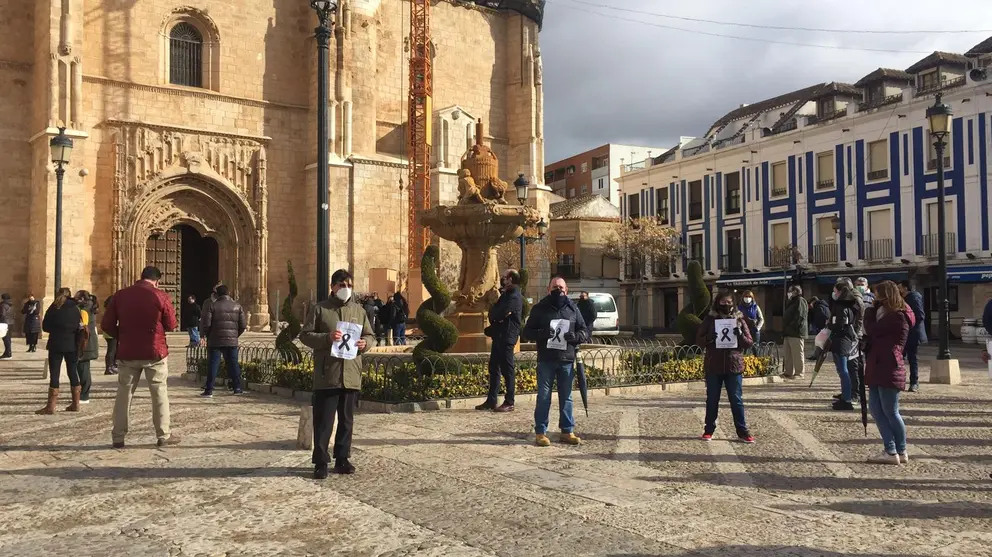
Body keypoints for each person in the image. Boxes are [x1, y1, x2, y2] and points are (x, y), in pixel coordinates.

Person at [300, 269, 374, 479]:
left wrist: (365, 343)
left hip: (351, 373)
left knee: (347, 420)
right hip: (328, 374)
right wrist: (327, 338)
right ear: (333, 287)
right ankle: (321, 462)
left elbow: (370, 335)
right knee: (324, 421)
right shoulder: (320, 309)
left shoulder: (358, 310)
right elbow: (305, 335)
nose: (346, 289)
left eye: (349, 285)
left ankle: (342, 458)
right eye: (342, 285)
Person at [101, 266, 180, 448]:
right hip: (155, 352)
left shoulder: (120, 295)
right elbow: (171, 324)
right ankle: (163, 435)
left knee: (124, 394)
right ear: (157, 280)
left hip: (128, 352)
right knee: (159, 392)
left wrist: (123, 337)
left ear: (140, 277)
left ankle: (118, 437)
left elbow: (107, 324)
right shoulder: (160, 295)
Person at [522, 276, 589, 447]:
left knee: (566, 397)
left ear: (566, 290)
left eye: (560, 287)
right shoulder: (539, 309)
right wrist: (542, 333)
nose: (558, 290)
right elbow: (527, 332)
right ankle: (541, 432)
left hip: (566, 359)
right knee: (544, 397)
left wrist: (576, 337)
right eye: (554, 287)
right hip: (546, 359)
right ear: (548, 289)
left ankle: (567, 431)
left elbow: (584, 331)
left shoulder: (573, 309)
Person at [863, 281, 915, 465]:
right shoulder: (883, 312)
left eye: (878, 294)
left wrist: (868, 313)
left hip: (889, 364)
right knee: (876, 409)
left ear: (886, 294)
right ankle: (891, 449)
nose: (875, 297)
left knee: (891, 411)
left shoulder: (898, 316)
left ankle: (899, 449)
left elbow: (872, 330)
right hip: (878, 363)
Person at [696, 290, 756, 443]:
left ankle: (742, 431)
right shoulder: (710, 319)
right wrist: (710, 337)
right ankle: (709, 429)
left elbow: (749, 342)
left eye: (729, 302)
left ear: (733, 303)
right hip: (713, 365)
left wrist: (740, 334)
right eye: (723, 302)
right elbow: (699, 340)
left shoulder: (739, 319)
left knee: (736, 400)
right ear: (718, 303)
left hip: (733, 365)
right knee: (712, 399)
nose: (726, 305)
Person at [478, 269, 524, 412]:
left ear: (510, 279)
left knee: (507, 369)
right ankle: (491, 400)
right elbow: (494, 313)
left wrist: (497, 315)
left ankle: (509, 401)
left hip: (507, 336)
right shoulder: (506, 295)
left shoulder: (514, 296)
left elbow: (501, 313)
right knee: (494, 368)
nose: (502, 280)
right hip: (499, 336)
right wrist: (496, 315)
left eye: (504, 278)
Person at [36, 287, 83, 414]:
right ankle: (76, 403)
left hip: (56, 344)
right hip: (72, 344)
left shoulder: (54, 307)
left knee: (55, 373)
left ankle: (51, 406)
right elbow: (80, 326)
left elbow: (45, 327)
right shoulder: (75, 308)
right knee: (73, 371)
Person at [199, 284, 247, 397]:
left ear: (216, 294)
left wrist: (207, 335)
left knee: (213, 365)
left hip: (215, 341)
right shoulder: (237, 306)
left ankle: (209, 390)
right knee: (233, 364)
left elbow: (207, 324)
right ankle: (237, 388)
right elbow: (243, 325)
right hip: (232, 341)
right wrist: (235, 335)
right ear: (228, 293)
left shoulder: (213, 305)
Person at [828, 280, 863, 411]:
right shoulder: (849, 303)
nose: (833, 293)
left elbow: (840, 323)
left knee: (845, 370)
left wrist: (830, 326)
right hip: (845, 338)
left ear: (841, 291)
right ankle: (846, 396)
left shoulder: (843, 305)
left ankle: (848, 399)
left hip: (842, 340)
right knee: (844, 370)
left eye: (835, 291)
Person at [898, 280, 927, 393]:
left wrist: (907, 323)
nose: (898, 290)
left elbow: (920, 315)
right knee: (900, 358)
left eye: (899, 287)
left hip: (912, 334)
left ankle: (914, 382)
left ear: (905, 288)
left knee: (912, 358)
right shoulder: (904, 298)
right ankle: (900, 381)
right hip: (904, 333)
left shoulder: (914, 297)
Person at [75, 291, 100, 404]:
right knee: (84, 368)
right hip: (89, 341)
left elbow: (82, 324)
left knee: (83, 368)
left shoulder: (84, 308)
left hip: (85, 341)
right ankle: (83, 394)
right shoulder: (90, 306)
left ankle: (84, 395)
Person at [781, 285, 807, 379]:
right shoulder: (791, 301)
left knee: (797, 353)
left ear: (795, 291)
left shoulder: (800, 300)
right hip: (788, 332)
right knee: (788, 353)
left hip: (796, 332)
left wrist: (792, 326)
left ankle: (799, 373)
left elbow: (800, 316)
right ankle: (788, 372)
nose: (788, 293)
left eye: (790, 291)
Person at [102, 295, 118, 375]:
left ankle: (113, 366)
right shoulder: (111, 311)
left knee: (113, 350)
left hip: (110, 332)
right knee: (111, 350)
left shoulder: (109, 310)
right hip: (111, 333)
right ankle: (108, 368)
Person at [0, 293, 13, 359]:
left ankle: (8, 353)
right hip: (10, 323)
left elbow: (3, 315)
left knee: (6, 339)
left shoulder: (3, 305)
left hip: (4, 323)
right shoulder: (10, 305)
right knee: (8, 338)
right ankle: (7, 352)